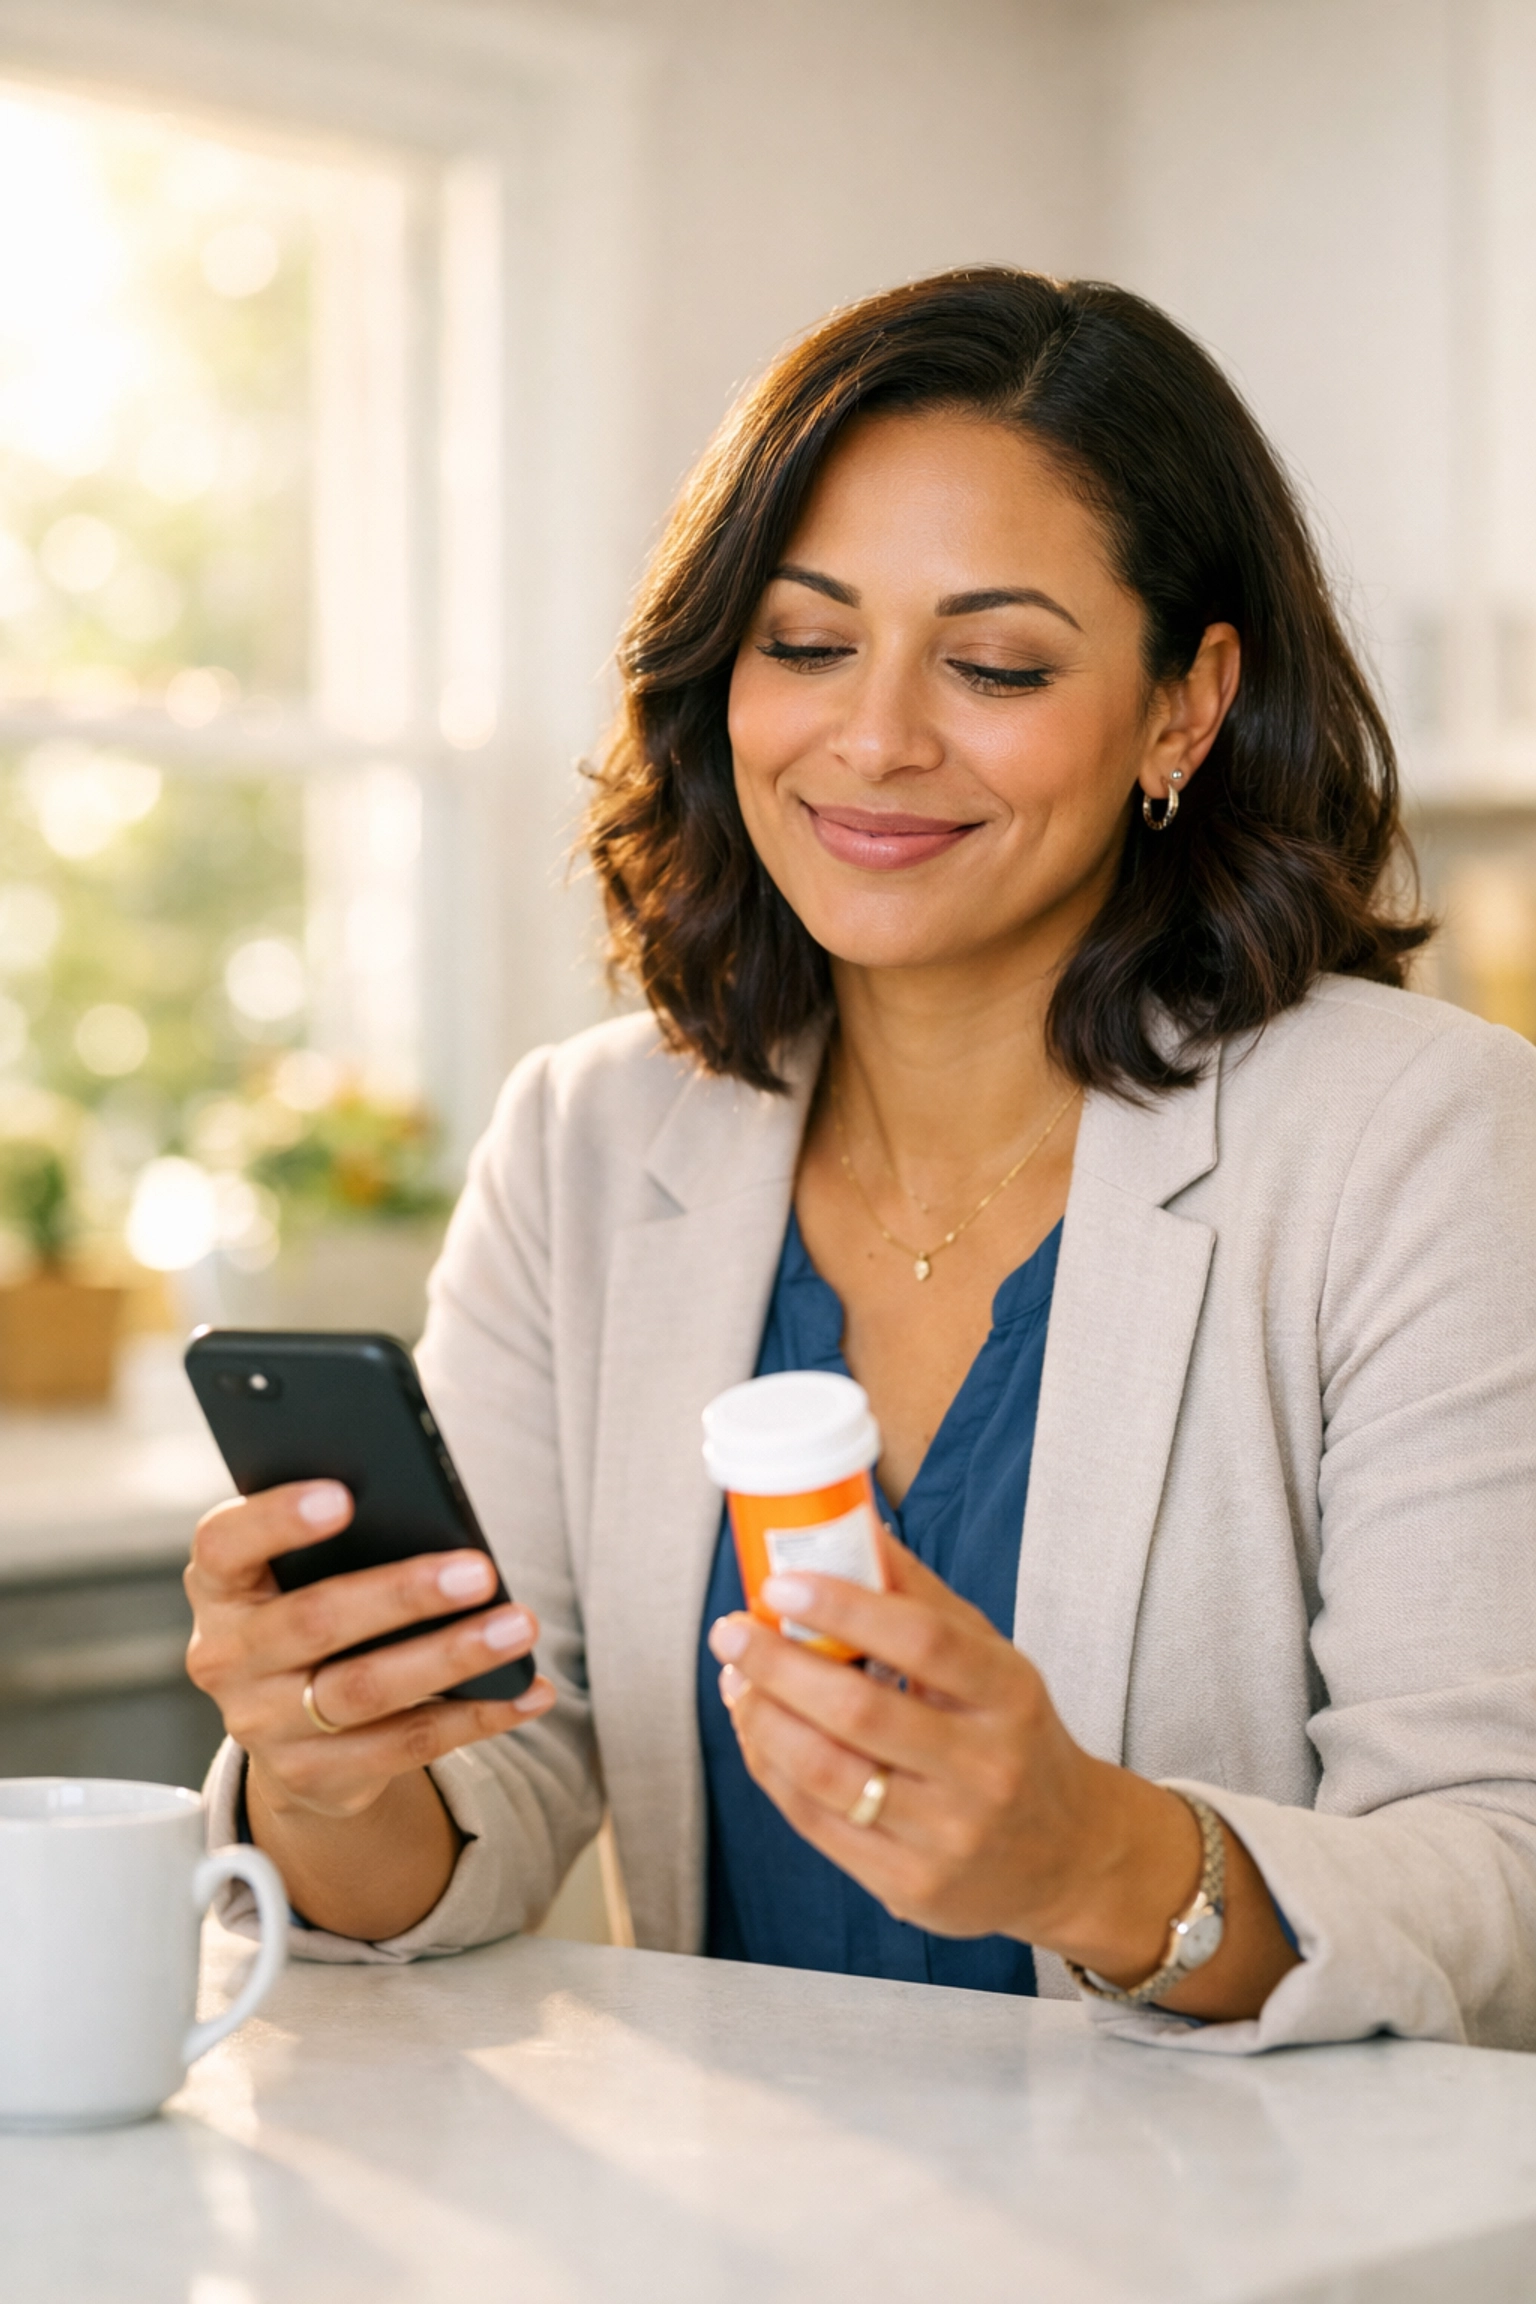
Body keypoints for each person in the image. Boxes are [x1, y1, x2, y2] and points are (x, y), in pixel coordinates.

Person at [191, 269, 1536, 2050]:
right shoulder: (589, 1144)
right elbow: (483, 1819)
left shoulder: (1421, 1138)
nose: (878, 736)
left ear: (1182, 709)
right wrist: (332, 1769)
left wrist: (1096, 1861)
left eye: (994, 665)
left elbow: (1500, 1868)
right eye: (806, 642)